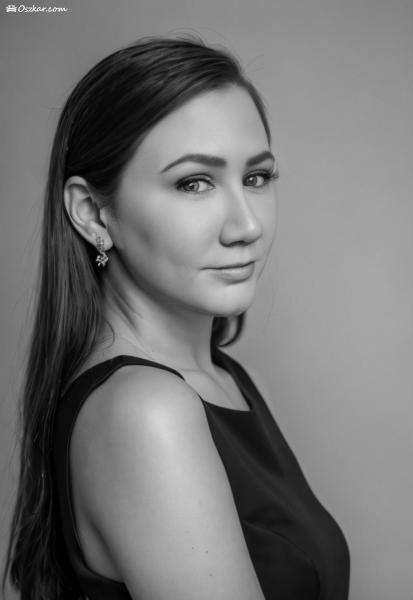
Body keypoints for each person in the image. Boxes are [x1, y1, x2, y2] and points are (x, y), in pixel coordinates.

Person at [4, 37, 350, 600]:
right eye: (194, 183)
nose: (246, 226)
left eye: (257, 178)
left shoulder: (227, 379)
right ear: (93, 214)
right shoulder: (146, 412)